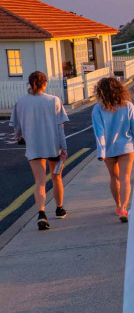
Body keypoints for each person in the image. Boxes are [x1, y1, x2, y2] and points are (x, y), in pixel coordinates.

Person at [10, 71, 69, 230]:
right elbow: (60, 127)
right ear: (45, 83)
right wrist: (64, 148)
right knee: (56, 177)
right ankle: (59, 209)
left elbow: (17, 127)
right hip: (53, 146)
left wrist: (19, 136)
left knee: (40, 182)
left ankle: (41, 214)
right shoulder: (54, 100)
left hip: (34, 147)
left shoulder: (21, 102)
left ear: (30, 83)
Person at [92, 77, 134, 223]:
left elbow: (99, 132)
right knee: (125, 178)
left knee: (114, 178)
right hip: (126, 147)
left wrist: (101, 152)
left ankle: (117, 205)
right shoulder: (127, 106)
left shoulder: (98, 109)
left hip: (108, 150)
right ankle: (123, 208)